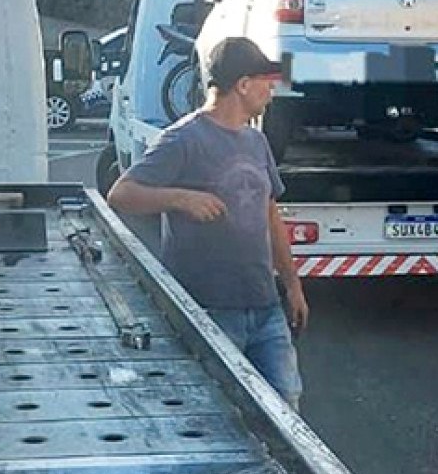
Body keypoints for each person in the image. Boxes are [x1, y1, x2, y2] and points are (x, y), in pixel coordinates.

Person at [107, 36, 309, 408]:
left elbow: (270, 215)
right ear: (243, 85)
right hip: (208, 310)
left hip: (264, 306)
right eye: (266, 80)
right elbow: (120, 194)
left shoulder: (256, 141)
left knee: (286, 410)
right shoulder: (182, 140)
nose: (272, 89)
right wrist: (179, 198)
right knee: (217, 412)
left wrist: (293, 286)